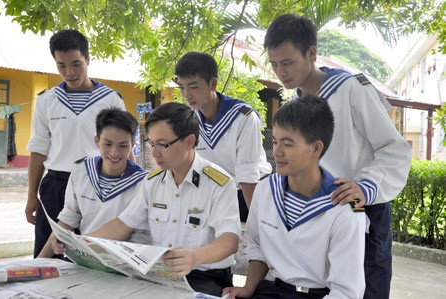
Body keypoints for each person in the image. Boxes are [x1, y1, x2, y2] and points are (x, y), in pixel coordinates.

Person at [263, 14, 411, 299]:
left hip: (362, 209)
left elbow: (394, 149)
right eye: (274, 64)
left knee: (365, 290)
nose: (280, 72)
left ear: (311, 53)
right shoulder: (297, 104)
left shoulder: (352, 89)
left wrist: (365, 189)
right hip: (319, 215)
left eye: (287, 62)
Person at [55, 102, 241, 296]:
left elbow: (229, 241)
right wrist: (78, 242)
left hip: (204, 276)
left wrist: (194, 257)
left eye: (163, 144)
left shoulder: (218, 183)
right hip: (160, 275)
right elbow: (123, 224)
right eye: (151, 143)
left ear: (189, 142)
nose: (154, 152)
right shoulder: (153, 181)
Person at [223, 95, 366, 299]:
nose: (277, 152)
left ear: (316, 148)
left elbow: (346, 292)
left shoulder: (342, 206)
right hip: (270, 291)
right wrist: (248, 287)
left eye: (288, 144)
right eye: (275, 141)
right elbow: (257, 247)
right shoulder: (265, 190)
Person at [25, 28, 127, 258]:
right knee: (49, 253)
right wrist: (32, 196)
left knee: (91, 254)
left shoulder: (111, 99)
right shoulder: (47, 100)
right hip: (56, 185)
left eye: (76, 63)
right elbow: (39, 150)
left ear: (88, 60)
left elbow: (124, 146)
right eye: (61, 65)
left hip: (97, 185)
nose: (69, 72)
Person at [174, 52, 272, 222]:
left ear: (213, 84)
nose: (186, 94)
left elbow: (248, 176)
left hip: (248, 196)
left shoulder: (243, 118)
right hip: (213, 195)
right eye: (181, 87)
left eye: (193, 86)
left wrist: (257, 223)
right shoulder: (191, 120)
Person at [37, 108, 146, 258]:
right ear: (97, 141)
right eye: (107, 144)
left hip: (123, 262)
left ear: (132, 145)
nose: (114, 153)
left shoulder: (143, 183)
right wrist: (40, 260)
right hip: (85, 257)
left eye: (123, 146)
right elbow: (68, 218)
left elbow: (140, 237)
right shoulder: (81, 170)